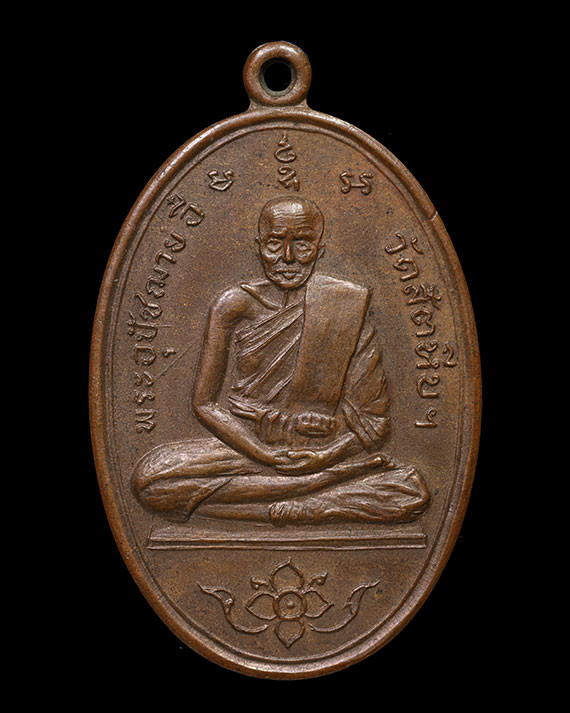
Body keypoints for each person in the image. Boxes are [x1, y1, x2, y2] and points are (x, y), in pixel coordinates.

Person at [131, 197, 430, 525]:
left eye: (302, 244)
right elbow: (204, 404)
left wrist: (325, 455)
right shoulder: (233, 305)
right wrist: (264, 454)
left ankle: (300, 496)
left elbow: (374, 423)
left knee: (413, 494)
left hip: (320, 449)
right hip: (245, 447)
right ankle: (315, 500)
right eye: (275, 243)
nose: (288, 257)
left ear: (319, 249)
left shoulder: (347, 304)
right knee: (149, 482)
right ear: (259, 247)